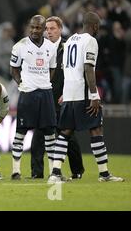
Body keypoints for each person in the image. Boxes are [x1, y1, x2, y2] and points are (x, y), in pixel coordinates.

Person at [48, 12, 124, 183]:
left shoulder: (69, 42)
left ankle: (55, 173)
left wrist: (65, 94)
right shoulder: (90, 41)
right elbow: (88, 68)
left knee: (65, 132)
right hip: (82, 91)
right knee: (96, 129)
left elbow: (66, 69)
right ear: (95, 26)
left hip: (69, 93)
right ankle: (104, 174)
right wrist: (94, 94)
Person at [30, 16, 85, 179]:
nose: (49, 32)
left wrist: (68, 93)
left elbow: (76, 72)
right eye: (47, 29)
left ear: (60, 29)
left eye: (52, 28)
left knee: (67, 136)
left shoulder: (68, 47)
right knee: (39, 136)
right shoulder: (40, 48)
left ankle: (77, 171)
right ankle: (37, 173)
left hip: (62, 98)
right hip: (44, 97)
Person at [9, 15, 57, 180]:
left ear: (44, 29)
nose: (35, 30)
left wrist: (45, 82)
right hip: (27, 94)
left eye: (38, 28)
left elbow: (52, 68)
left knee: (50, 133)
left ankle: (53, 171)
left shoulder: (51, 47)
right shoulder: (20, 46)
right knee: (20, 133)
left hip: (45, 94)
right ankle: (16, 170)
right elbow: (14, 69)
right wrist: (20, 83)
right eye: (32, 27)